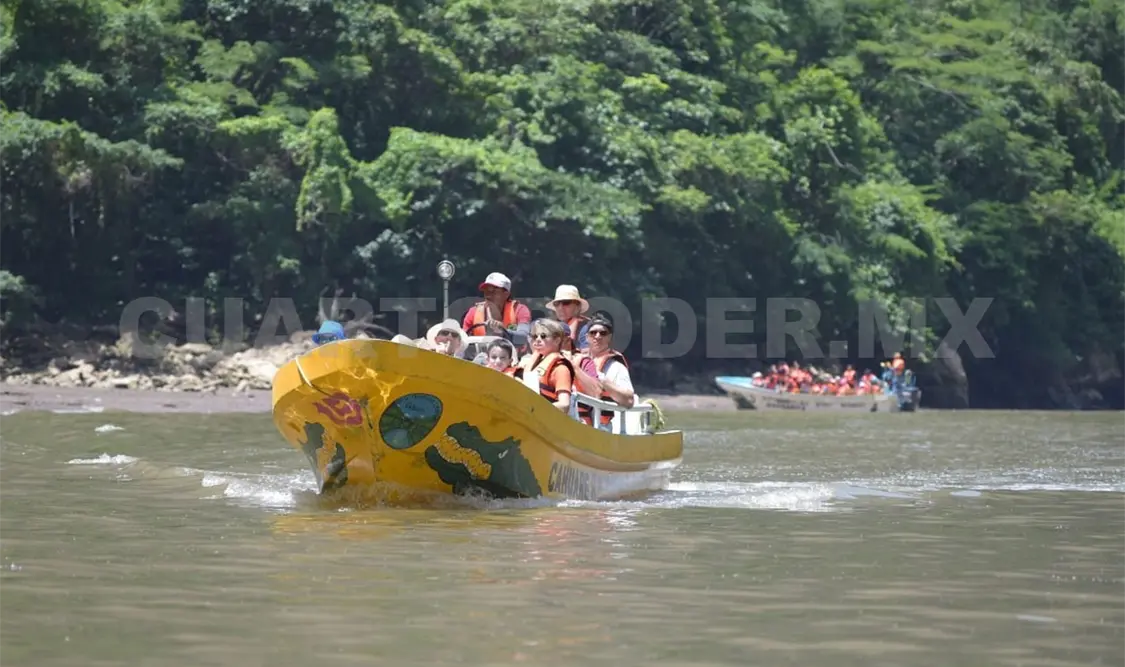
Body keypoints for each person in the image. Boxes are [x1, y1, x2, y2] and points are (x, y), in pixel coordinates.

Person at [574, 315, 634, 428]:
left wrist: (604, 381)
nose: (597, 336)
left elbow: (629, 401)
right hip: (577, 423)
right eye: (593, 333)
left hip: (601, 428)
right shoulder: (577, 361)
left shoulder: (616, 367)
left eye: (603, 333)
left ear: (609, 337)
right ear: (587, 337)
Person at [515, 319, 575, 412]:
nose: (538, 339)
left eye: (543, 336)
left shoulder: (560, 369)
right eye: (535, 336)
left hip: (543, 418)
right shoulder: (533, 363)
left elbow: (564, 404)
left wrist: (535, 409)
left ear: (557, 340)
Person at [461, 272, 532, 349]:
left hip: (514, 356)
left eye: (493, 291)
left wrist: (503, 331)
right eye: (486, 291)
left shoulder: (520, 310)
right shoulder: (473, 312)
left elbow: (523, 338)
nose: (488, 295)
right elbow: (461, 340)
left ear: (506, 294)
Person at [545, 284, 591, 352]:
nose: (560, 308)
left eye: (566, 302)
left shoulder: (587, 328)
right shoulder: (549, 327)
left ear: (578, 306)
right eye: (557, 303)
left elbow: (587, 354)